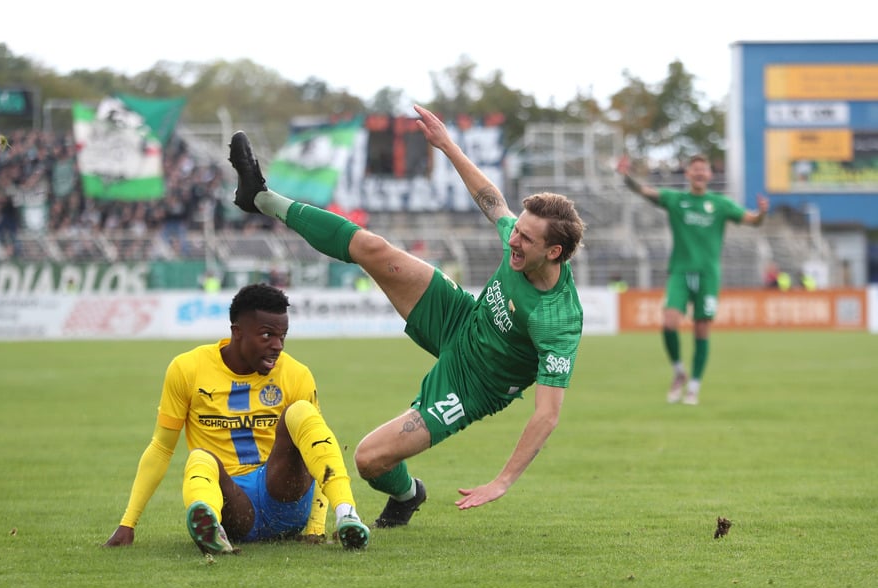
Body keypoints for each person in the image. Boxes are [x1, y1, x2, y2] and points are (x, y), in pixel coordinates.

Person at [228, 103, 585, 528]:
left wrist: (503, 480)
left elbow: (547, 413)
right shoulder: (521, 240)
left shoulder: (558, 318)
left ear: (554, 252)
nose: (514, 239)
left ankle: (407, 493)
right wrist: (447, 144)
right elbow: (493, 201)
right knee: (373, 248)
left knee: (368, 459)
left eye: (525, 238)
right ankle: (261, 197)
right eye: (517, 230)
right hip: (460, 319)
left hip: (472, 385)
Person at [103, 283, 369, 554]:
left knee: (301, 412)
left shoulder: (296, 374)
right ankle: (211, 527)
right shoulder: (187, 369)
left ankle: (347, 514)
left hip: (282, 497)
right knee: (199, 458)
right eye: (267, 335)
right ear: (237, 333)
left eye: (283, 336)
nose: (277, 346)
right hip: (234, 507)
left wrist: (315, 529)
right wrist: (128, 523)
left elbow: (319, 448)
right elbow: (161, 448)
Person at [617, 154, 768, 405]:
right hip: (680, 272)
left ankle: (694, 386)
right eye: (695, 169)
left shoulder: (720, 204)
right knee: (669, 321)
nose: (699, 173)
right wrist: (625, 177)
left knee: (701, 328)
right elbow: (645, 191)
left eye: (703, 170)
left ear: (709, 175)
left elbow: (752, 221)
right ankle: (679, 371)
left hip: (708, 275)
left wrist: (761, 213)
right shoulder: (677, 200)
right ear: (687, 174)